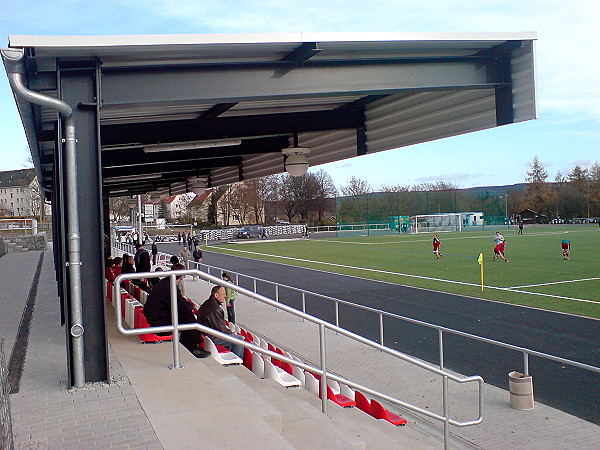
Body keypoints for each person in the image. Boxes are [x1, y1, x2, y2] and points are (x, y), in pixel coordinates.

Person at [143, 264, 209, 358]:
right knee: (187, 315)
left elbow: (179, 303)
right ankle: (192, 346)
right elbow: (182, 306)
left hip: (155, 316)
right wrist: (191, 305)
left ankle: (190, 344)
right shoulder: (169, 288)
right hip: (157, 322)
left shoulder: (165, 283)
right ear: (181, 277)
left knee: (185, 314)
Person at [197, 285, 244, 358]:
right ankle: (237, 360)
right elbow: (222, 330)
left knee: (233, 337)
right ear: (216, 295)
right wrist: (231, 333)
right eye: (223, 294)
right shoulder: (215, 309)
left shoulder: (207, 303)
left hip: (207, 335)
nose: (225, 296)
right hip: (213, 337)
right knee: (239, 339)